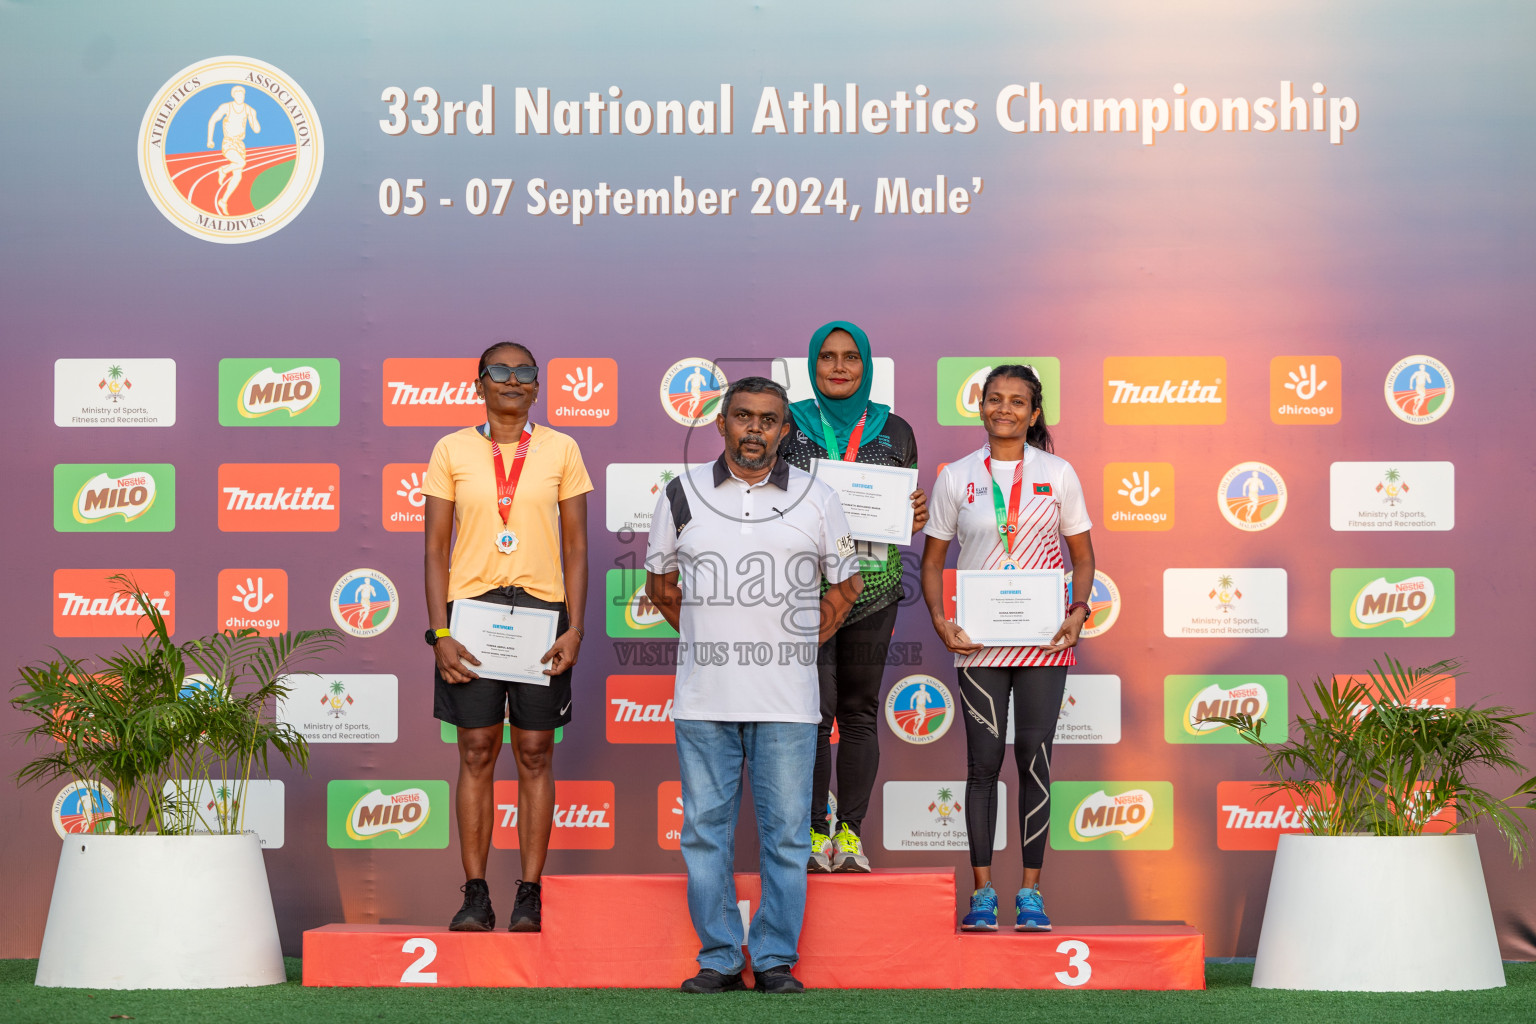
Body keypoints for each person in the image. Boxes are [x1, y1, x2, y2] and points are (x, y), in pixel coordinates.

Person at [646, 376, 863, 994]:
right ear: (721, 424)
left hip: (789, 704)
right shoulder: (680, 494)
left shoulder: (818, 497)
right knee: (704, 835)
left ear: (785, 431)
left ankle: (772, 958)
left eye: (769, 421)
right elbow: (661, 585)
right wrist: (707, 640)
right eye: (743, 417)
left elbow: (846, 586)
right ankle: (718, 956)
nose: (755, 431)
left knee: (788, 839)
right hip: (703, 700)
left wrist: (794, 646)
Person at [919, 364, 1095, 933]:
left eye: (1018, 402)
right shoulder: (957, 478)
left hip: (1045, 641)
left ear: (1033, 413)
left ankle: (1031, 895)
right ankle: (983, 894)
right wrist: (943, 624)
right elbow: (931, 563)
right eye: (995, 399)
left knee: (1035, 763)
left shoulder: (1059, 473)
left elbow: (1084, 559)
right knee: (982, 766)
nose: (1005, 410)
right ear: (981, 407)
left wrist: (1077, 612)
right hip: (979, 645)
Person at [423, 341, 591, 933]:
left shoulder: (562, 449)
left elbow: (575, 546)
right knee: (475, 751)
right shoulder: (451, 449)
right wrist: (440, 631)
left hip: (542, 617)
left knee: (535, 753)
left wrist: (575, 628)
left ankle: (529, 893)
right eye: (501, 371)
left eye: (525, 373)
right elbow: (435, 549)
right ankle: (475, 895)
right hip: (470, 618)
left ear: (538, 387)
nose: (513, 381)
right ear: (479, 383)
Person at [777, 320, 928, 872]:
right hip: (805, 592)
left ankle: (851, 833)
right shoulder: (788, 423)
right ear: (812, 365)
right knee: (813, 714)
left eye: (850, 358)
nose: (839, 367)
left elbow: (901, 511)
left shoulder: (897, 430)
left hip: (874, 588)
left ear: (866, 366)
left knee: (859, 713)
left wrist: (914, 513)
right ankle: (816, 834)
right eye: (827, 358)